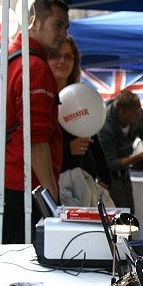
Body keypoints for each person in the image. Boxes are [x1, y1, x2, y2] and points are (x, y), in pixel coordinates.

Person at [0, 0, 69, 244]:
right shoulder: (35, 67)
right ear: (34, 22)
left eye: (66, 28)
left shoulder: (11, 55)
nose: (63, 34)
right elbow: (36, 140)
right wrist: (52, 199)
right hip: (24, 187)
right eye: (57, 25)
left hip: (4, 180)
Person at [48, 35, 112, 205]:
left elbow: (93, 135)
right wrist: (67, 149)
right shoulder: (43, 97)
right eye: (56, 55)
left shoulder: (81, 95)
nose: (62, 61)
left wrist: (105, 177)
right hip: (57, 189)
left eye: (68, 56)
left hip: (85, 187)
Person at [97, 89, 143, 212]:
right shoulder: (105, 128)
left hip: (124, 172)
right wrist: (138, 157)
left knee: (129, 210)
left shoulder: (135, 117)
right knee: (118, 213)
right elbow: (112, 164)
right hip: (109, 176)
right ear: (122, 112)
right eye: (135, 114)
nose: (139, 116)